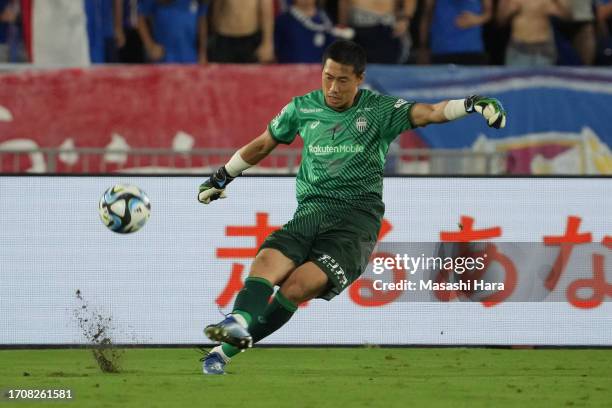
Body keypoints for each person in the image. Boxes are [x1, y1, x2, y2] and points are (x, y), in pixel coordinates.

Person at [197, 40, 507, 375]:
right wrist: (222, 175)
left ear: (359, 78)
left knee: (297, 287)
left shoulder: (379, 111)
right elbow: (263, 143)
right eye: (327, 77)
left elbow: (430, 113)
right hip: (311, 211)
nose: (332, 87)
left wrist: (471, 104)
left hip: (355, 223)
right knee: (265, 261)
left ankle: (223, 353)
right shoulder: (303, 108)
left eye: (342, 80)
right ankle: (237, 321)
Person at [338, 0, 415, 64]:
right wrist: (343, 25)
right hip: (358, 29)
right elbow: (344, 2)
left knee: (388, 73)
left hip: (388, 29)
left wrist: (405, 18)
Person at [497, 0, 570, 66]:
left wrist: (560, 4)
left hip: (542, 49)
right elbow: (500, 21)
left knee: (543, 80)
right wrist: (507, 12)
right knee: (516, 80)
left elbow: (567, 17)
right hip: (518, 49)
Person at [419, 0, 492, 65]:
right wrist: (423, 47)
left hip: (472, 51)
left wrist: (476, 19)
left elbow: (489, 13)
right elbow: (426, 16)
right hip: (441, 50)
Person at [137, 0, 208, 64]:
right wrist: (150, 46)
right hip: (164, 58)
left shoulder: (199, 2)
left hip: (190, 57)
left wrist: (202, 53)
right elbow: (140, 17)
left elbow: (202, 21)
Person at [208, 0, 275, 63]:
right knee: (222, 73)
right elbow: (216, 9)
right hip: (224, 39)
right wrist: (214, 34)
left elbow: (267, 13)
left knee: (250, 73)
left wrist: (267, 43)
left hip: (250, 39)